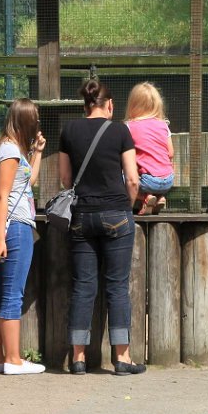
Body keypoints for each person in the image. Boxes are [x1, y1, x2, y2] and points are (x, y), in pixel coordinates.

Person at [58, 78, 145, 375]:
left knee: (84, 287)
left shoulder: (68, 130)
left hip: (82, 215)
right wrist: (129, 206)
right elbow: (132, 178)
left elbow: (66, 180)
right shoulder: (120, 130)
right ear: (109, 105)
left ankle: (78, 358)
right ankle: (122, 358)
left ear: (85, 105)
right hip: (117, 213)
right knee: (117, 287)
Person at [0, 98, 46, 375]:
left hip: (9, 226)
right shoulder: (9, 150)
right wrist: (1, 238)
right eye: (36, 119)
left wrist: (38, 152)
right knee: (12, 294)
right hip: (14, 227)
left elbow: (28, 181)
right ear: (26, 121)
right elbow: (2, 195)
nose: (38, 124)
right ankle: (13, 360)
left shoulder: (10, 148)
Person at [124, 82, 174, 214]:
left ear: (133, 104)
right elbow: (171, 152)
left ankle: (144, 197)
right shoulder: (163, 125)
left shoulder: (129, 126)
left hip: (146, 182)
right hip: (168, 181)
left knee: (121, 174)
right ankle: (159, 197)